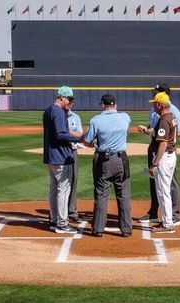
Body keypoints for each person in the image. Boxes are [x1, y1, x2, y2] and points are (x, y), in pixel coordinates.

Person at [81, 94, 133, 237]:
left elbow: (87, 141)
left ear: (103, 105)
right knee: (123, 195)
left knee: (101, 194)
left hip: (104, 160)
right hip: (121, 159)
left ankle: (98, 229)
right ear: (115, 105)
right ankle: (127, 229)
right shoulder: (125, 117)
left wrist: (95, 143)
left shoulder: (96, 120)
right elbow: (126, 132)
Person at [136, 83, 180, 227]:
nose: (153, 95)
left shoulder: (172, 111)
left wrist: (163, 140)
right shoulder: (156, 110)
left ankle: (173, 215)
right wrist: (148, 130)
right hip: (155, 146)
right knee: (155, 181)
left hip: (164, 149)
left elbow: (178, 131)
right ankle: (154, 212)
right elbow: (155, 129)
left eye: (156, 93)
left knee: (169, 183)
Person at [42, 86, 82, 233]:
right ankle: (62, 223)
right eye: (69, 99)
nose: (70, 102)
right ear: (61, 97)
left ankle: (54, 220)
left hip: (51, 155)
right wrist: (79, 139)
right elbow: (60, 134)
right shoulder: (58, 112)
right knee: (63, 190)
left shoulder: (48, 110)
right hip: (61, 156)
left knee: (54, 188)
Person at [147, 92, 179, 233]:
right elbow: (162, 135)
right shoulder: (171, 116)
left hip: (164, 158)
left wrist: (155, 163)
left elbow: (163, 144)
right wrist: (148, 131)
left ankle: (167, 224)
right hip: (170, 157)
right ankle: (167, 219)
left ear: (160, 104)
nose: (153, 106)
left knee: (163, 190)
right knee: (164, 189)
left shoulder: (164, 120)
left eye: (155, 103)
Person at [66, 105, 89, 228]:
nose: (69, 103)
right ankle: (58, 212)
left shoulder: (75, 117)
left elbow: (80, 134)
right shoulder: (57, 115)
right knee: (60, 183)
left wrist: (65, 133)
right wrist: (71, 134)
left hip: (72, 151)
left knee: (73, 180)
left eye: (71, 101)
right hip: (60, 151)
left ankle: (72, 212)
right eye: (67, 100)